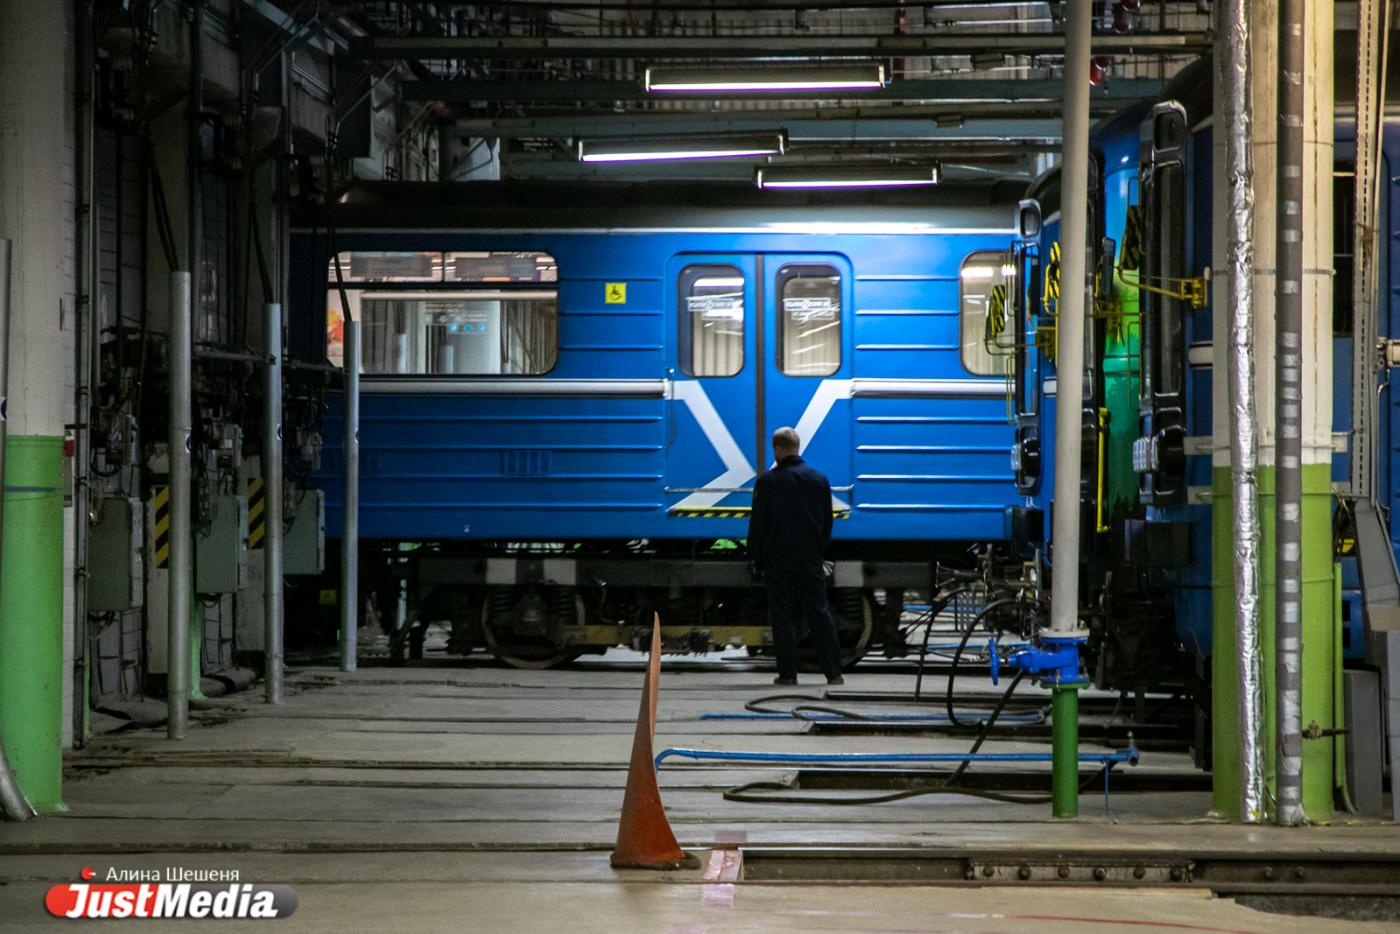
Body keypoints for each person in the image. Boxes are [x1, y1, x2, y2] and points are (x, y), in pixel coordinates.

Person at [747, 427, 845, 686]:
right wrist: (818, 549)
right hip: (809, 557)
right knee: (819, 613)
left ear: (778, 449)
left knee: (782, 615)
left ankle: (788, 675)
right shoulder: (819, 479)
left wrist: (755, 556)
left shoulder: (767, 481)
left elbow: (758, 524)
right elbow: (827, 523)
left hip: (777, 559)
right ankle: (834, 673)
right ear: (797, 447)